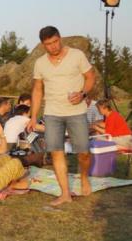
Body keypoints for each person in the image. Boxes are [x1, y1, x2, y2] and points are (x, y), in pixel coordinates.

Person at [28, 25, 96, 206]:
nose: (54, 46)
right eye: (49, 44)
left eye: (56, 41)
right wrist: (33, 116)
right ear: (43, 45)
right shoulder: (40, 63)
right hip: (52, 113)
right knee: (56, 152)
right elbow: (37, 89)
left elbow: (90, 77)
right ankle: (65, 193)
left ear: (60, 38)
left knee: (83, 152)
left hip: (76, 111)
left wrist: (82, 93)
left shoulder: (77, 55)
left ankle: (83, 177)